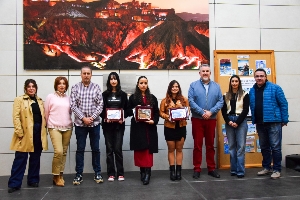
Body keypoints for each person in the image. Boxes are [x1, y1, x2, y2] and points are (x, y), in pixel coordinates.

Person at [8, 79, 48, 193]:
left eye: (33, 86)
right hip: (25, 133)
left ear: (36, 88)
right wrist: (19, 132)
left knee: (35, 158)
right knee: (20, 159)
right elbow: (15, 117)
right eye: (29, 86)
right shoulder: (19, 99)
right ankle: (14, 183)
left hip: (38, 132)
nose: (31, 88)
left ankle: (33, 180)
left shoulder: (40, 101)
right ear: (25, 88)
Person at [249, 68, 288, 179]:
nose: (259, 78)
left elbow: (283, 104)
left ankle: (276, 169)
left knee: (275, 147)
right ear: (254, 77)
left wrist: (284, 119)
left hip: (274, 122)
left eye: (262, 76)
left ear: (266, 77)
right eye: (257, 76)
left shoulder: (275, 88)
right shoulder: (252, 90)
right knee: (264, 147)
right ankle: (267, 167)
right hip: (260, 123)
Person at [188, 64, 223, 179]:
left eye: (207, 71)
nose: (205, 73)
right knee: (197, 145)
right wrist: (202, 112)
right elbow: (191, 101)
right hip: (197, 119)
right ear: (199, 73)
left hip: (211, 119)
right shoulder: (193, 85)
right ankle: (197, 169)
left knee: (210, 145)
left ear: (210, 73)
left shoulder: (217, 86)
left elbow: (220, 102)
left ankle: (211, 168)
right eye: (203, 71)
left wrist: (210, 112)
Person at [70, 66, 104, 185]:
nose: (86, 75)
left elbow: (100, 105)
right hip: (80, 125)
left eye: (88, 73)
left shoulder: (96, 87)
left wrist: (91, 118)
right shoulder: (75, 88)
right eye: (84, 73)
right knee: (80, 149)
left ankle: (97, 173)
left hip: (94, 124)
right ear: (81, 75)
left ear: (91, 75)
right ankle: (79, 174)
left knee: (96, 149)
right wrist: (83, 118)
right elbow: (73, 105)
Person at [127, 76, 159, 185]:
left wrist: (153, 121)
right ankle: (142, 172)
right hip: (138, 128)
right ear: (138, 84)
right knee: (140, 150)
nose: (143, 85)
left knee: (148, 151)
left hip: (149, 128)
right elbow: (127, 111)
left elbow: (157, 113)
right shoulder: (133, 98)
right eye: (141, 83)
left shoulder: (152, 98)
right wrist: (135, 111)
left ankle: (148, 174)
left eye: (145, 83)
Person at [100, 72, 128, 182]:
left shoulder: (123, 95)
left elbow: (128, 109)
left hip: (119, 126)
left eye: (115, 79)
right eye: (111, 79)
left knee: (118, 149)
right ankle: (111, 174)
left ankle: (120, 173)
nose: (113, 81)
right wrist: (105, 117)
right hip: (107, 126)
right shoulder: (104, 95)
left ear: (118, 81)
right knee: (109, 150)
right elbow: (101, 110)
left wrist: (123, 117)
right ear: (109, 81)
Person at [44, 77, 72, 187]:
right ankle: (55, 176)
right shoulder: (50, 97)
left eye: (64, 84)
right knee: (58, 151)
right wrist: (46, 127)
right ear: (56, 85)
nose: (61, 85)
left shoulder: (69, 98)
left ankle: (60, 174)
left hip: (68, 127)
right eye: (59, 83)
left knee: (64, 152)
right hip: (54, 127)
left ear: (66, 86)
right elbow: (46, 112)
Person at [159, 80, 189, 181]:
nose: (175, 88)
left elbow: (188, 111)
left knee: (179, 149)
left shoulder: (184, 99)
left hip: (181, 127)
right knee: (171, 150)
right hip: (169, 127)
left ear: (179, 88)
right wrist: (168, 117)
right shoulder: (165, 100)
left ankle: (179, 171)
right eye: (173, 86)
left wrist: (182, 109)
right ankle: (172, 171)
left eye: (176, 86)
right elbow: (161, 112)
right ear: (170, 88)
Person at [221, 75, 249, 178]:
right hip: (229, 121)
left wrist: (237, 122)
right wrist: (228, 121)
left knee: (241, 147)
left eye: (236, 81)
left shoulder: (245, 94)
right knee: (232, 146)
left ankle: (240, 171)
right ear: (230, 83)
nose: (234, 83)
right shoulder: (226, 95)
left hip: (240, 121)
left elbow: (246, 110)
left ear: (239, 82)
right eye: (232, 81)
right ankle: (233, 170)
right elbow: (223, 111)